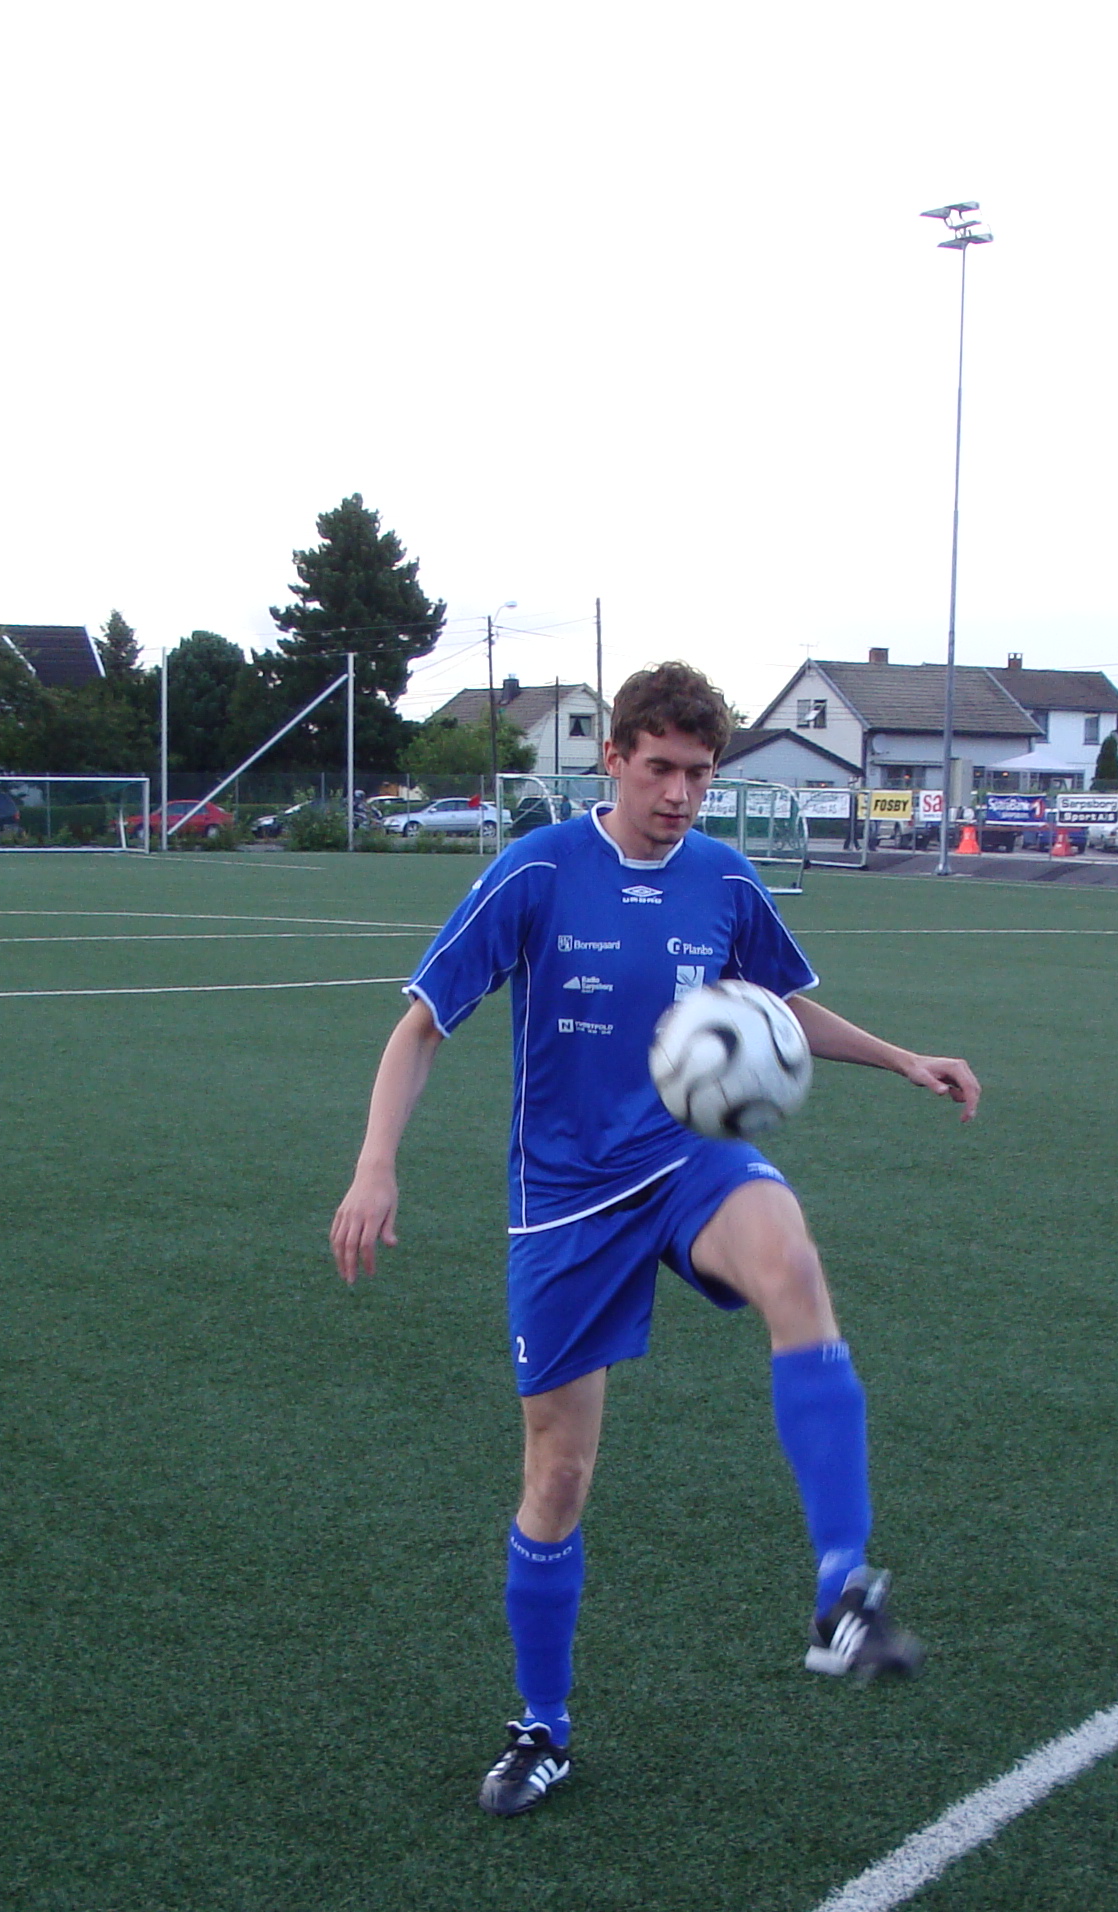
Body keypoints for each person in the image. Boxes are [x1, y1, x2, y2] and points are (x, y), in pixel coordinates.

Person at [328, 662, 982, 1818]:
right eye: (663, 769)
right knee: (558, 1475)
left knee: (792, 1265)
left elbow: (781, 1006)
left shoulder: (724, 877)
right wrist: (376, 1161)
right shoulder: (538, 869)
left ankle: (841, 1589)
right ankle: (544, 1726)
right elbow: (421, 1025)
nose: (681, 794)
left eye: (700, 774)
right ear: (616, 759)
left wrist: (900, 1058)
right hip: (566, 1199)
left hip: (690, 1162)